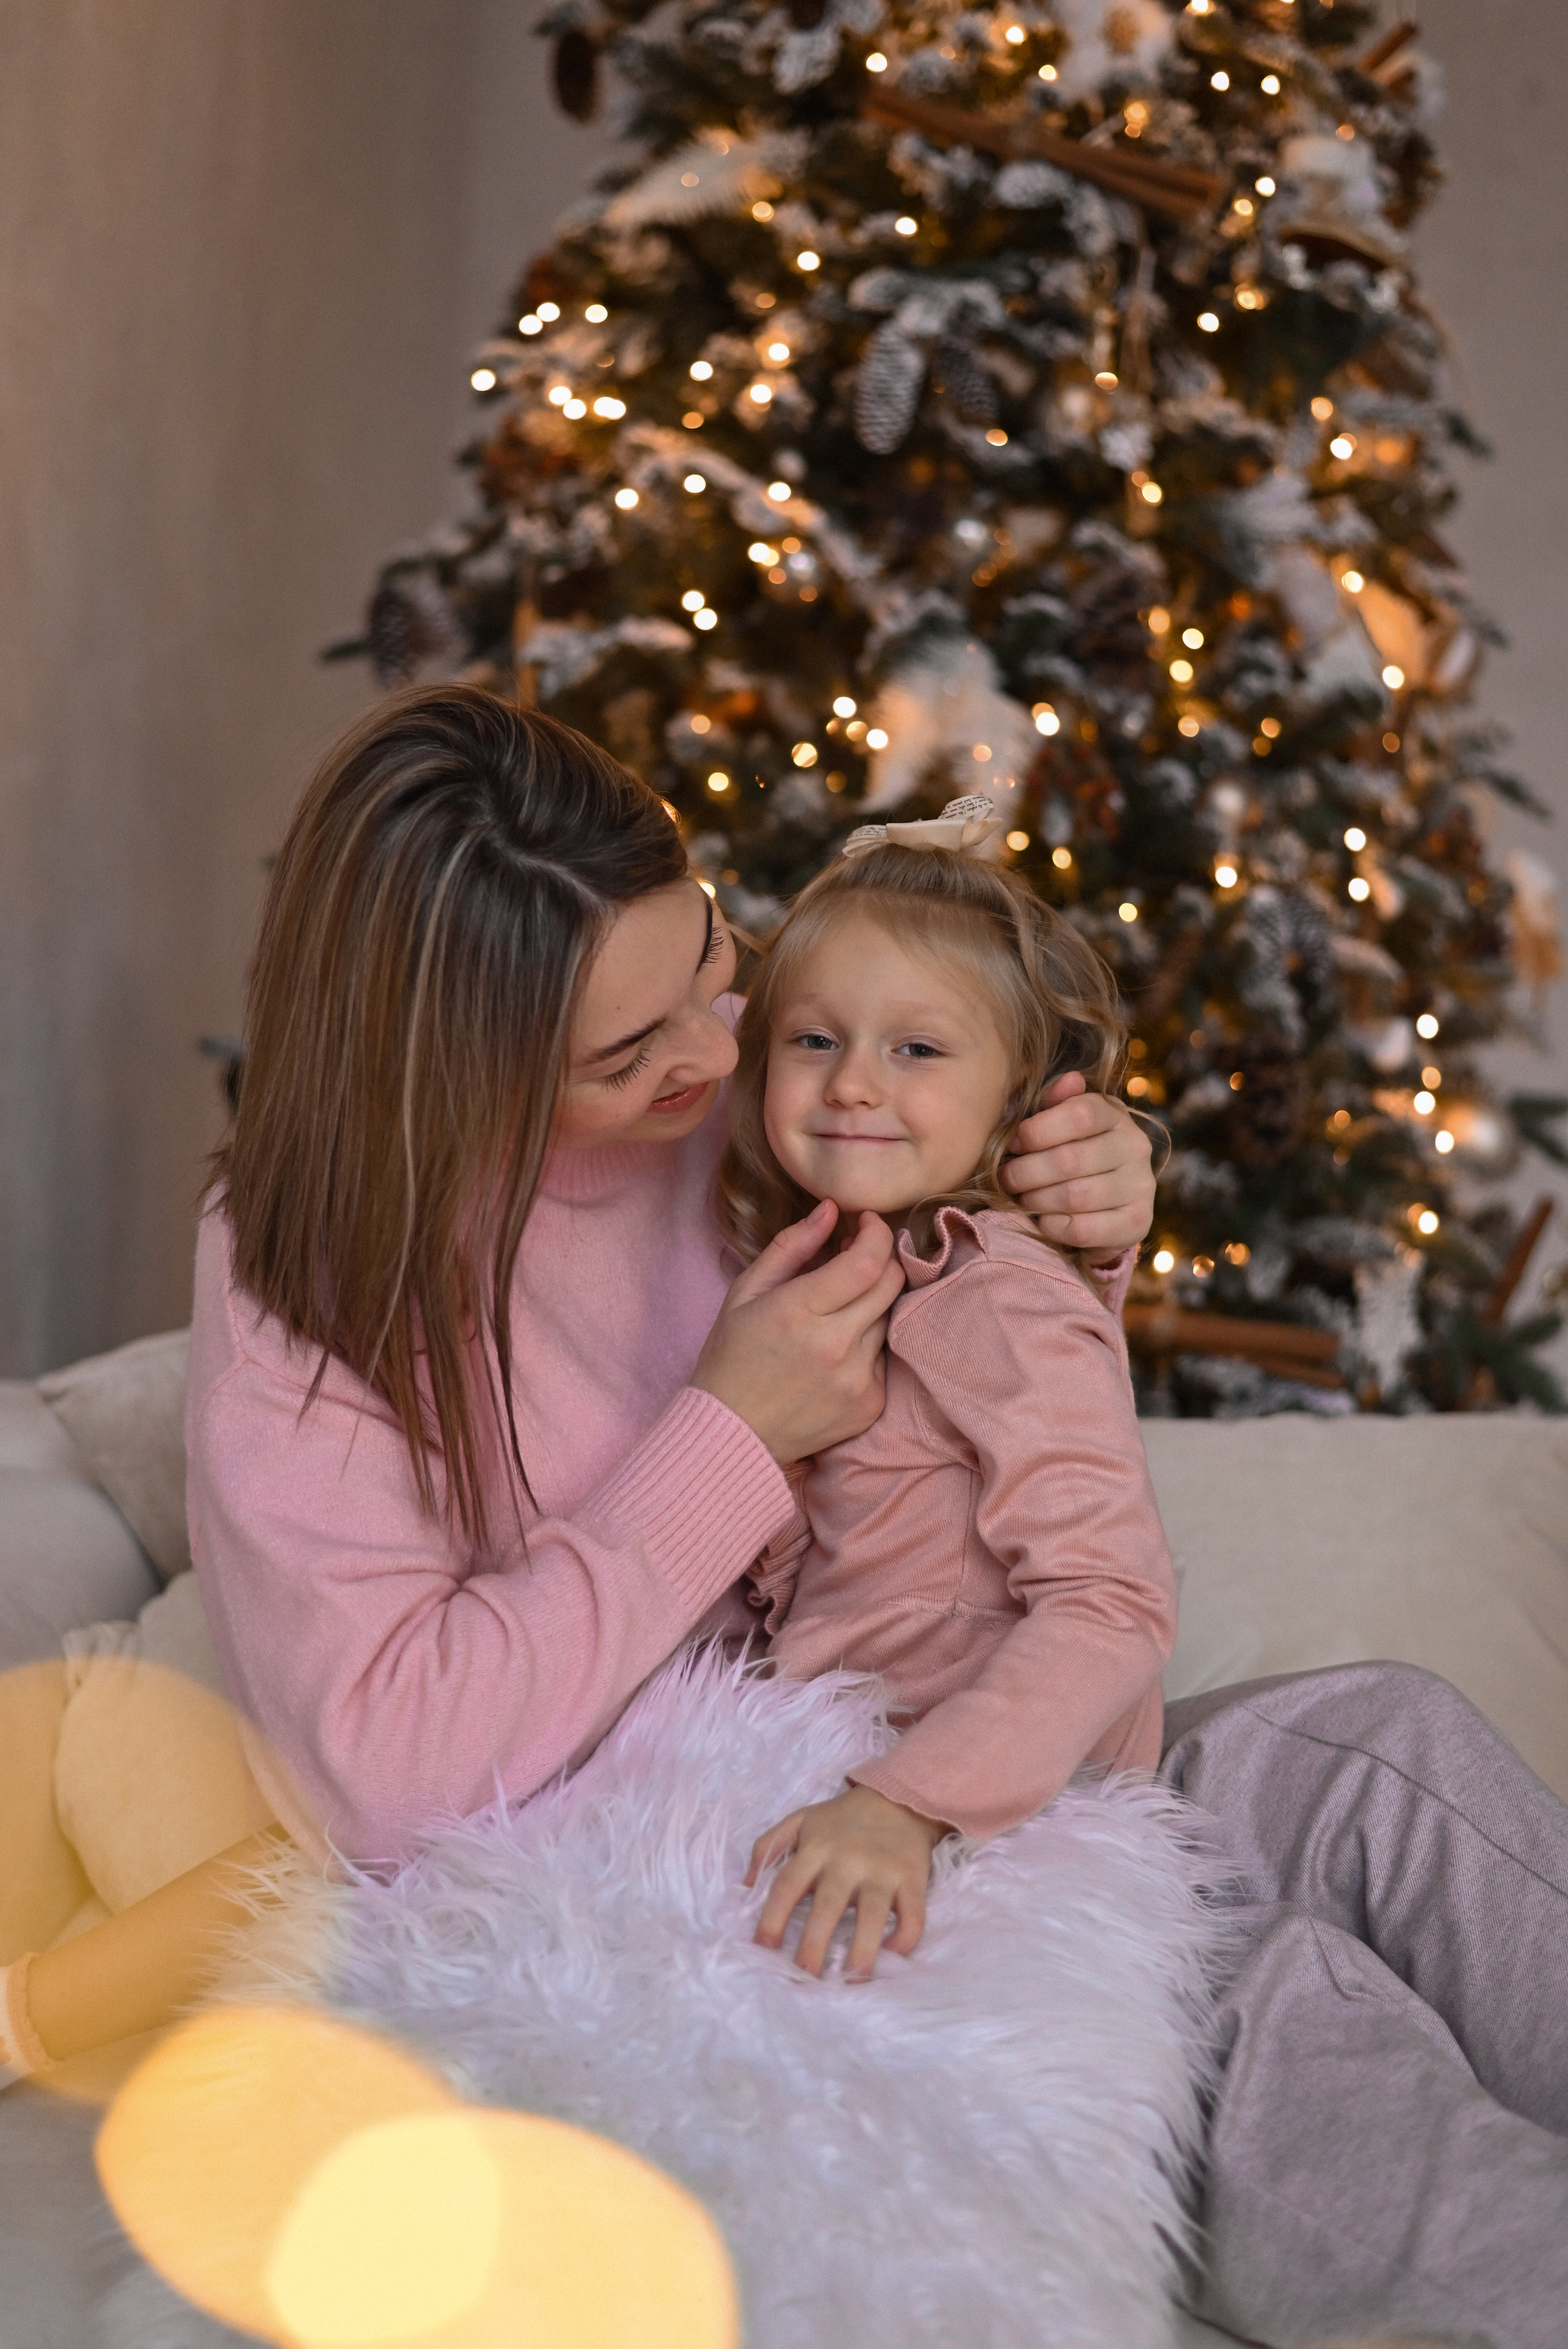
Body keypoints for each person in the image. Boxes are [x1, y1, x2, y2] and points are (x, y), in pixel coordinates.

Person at [0, 687, 1155, 2081]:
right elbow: (379, 1784)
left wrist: (1078, 1217)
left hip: (863, 1787)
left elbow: (980, 1404)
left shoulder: (789, 1079)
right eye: (627, 1055)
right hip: (580, 1858)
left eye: (711, 959)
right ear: (458, 1078)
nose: (720, 1050)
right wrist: (726, 1440)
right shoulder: (300, 1266)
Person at [715, 798, 1177, 1982]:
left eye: (917, 1049)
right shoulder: (827, 1281)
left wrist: (908, 1806)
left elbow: (1113, 1602)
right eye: (815, 1041)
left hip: (984, 1817)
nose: (854, 1084)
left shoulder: (1003, 1297)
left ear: (1017, 1095)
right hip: (837, 1771)